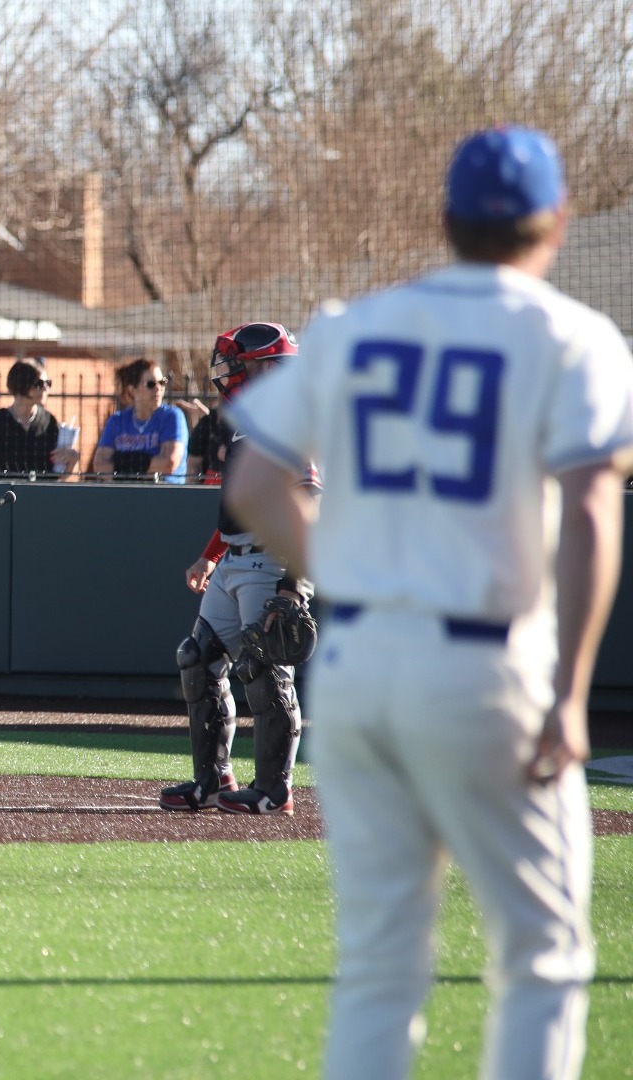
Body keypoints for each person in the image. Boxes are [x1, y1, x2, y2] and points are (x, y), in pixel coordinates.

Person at [225, 126, 632, 1080]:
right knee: (541, 958)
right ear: (558, 221)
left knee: (379, 967)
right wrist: (572, 691)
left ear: (444, 221)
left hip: (362, 668)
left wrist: (355, 577)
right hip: (487, 662)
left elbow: (253, 484)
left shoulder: (360, 324)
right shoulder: (573, 336)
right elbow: (590, 512)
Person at [158, 322, 316, 815]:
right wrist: (211, 553)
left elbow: (311, 500)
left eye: (238, 364)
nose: (227, 374)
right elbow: (239, 503)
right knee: (198, 658)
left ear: (268, 365)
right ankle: (211, 779)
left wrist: (294, 586)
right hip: (233, 560)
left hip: (271, 559)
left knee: (264, 670)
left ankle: (275, 789)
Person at [0, 356, 78, 478]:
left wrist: (72, 461)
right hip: (2, 495)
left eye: (48, 383)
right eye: (39, 384)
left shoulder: (49, 422)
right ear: (21, 385)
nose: (45, 388)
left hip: (39, 495)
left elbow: (57, 480)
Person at [94, 357, 187, 483]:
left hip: (164, 494)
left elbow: (169, 463)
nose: (158, 388)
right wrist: (146, 465)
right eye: (151, 384)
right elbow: (100, 465)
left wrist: (120, 464)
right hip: (124, 493)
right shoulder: (117, 421)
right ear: (132, 390)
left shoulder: (172, 416)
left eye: (162, 382)